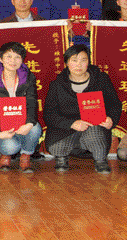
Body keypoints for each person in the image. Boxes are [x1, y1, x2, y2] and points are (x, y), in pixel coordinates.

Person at [44, 44, 121, 174]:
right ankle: (61, 157)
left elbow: (114, 104)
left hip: (93, 128)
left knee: (94, 130)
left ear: (89, 62)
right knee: (56, 146)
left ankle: (100, 160)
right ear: (67, 63)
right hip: (66, 130)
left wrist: (111, 119)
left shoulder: (101, 79)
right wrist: (72, 123)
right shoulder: (57, 84)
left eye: (83, 60)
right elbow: (49, 113)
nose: (78, 65)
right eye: (74, 60)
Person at [0, 42, 41, 173]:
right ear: (1, 59)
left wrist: (29, 123)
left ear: (22, 60)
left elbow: (32, 102)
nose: (13, 61)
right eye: (8, 57)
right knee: (10, 146)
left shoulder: (28, 77)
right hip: (0, 126)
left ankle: (25, 156)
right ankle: (6, 155)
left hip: (21, 124)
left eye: (17, 57)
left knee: (35, 128)